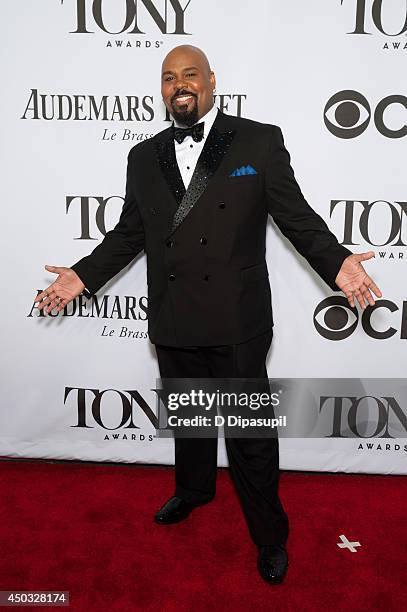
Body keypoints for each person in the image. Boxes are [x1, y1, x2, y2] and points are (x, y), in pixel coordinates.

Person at [34, 45, 382, 584]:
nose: (180, 85)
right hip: (174, 315)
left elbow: (297, 217)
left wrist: (337, 263)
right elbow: (131, 232)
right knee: (190, 421)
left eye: (190, 74)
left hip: (237, 318)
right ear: (162, 88)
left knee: (249, 436)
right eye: (170, 77)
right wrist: (82, 275)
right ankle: (194, 490)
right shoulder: (143, 157)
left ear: (212, 80)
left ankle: (270, 535)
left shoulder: (258, 141)